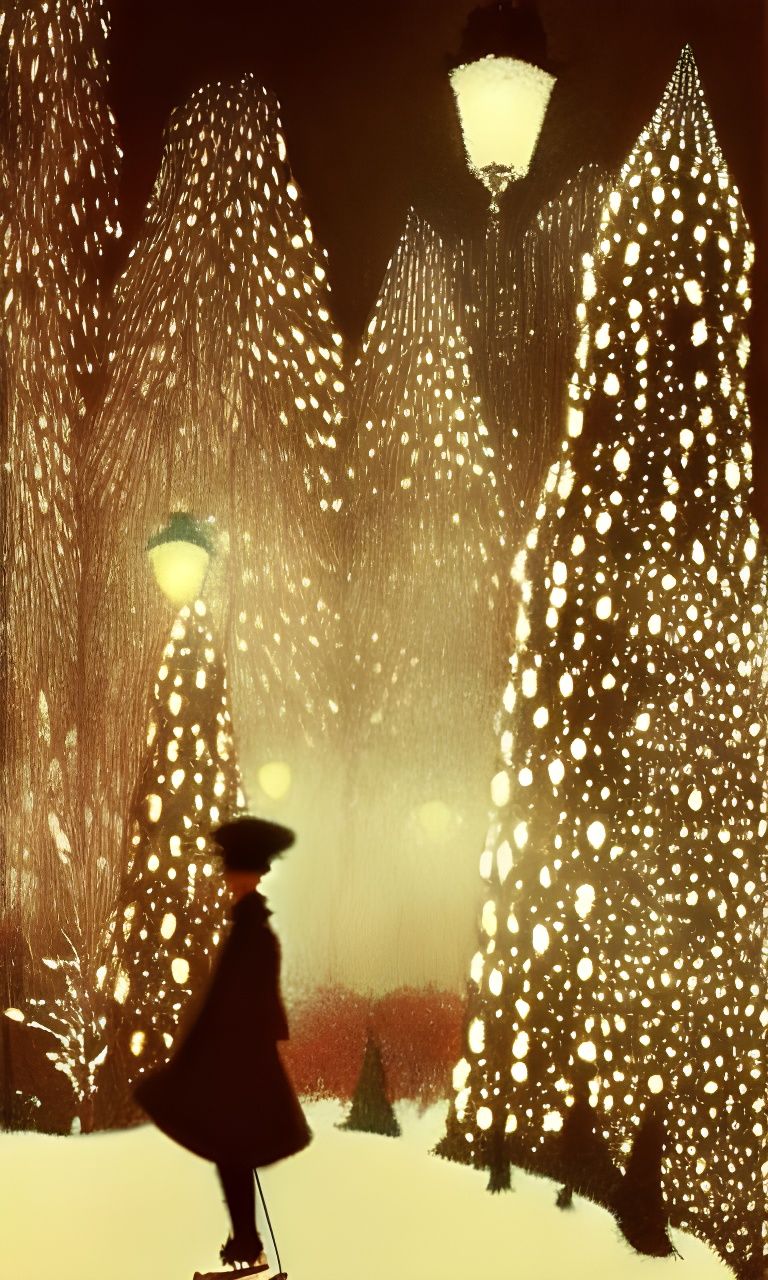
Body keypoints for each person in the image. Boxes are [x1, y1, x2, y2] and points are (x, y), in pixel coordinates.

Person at [134, 815, 311, 1268]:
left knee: (233, 1151)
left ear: (245, 873)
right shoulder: (252, 928)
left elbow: (235, 1001)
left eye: (231, 868)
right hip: (241, 1061)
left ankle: (248, 1245)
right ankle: (247, 1244)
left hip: (240, 1064)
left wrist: (204, 1051)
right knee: (234, 1152)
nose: (225, 876)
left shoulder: (251, 932)